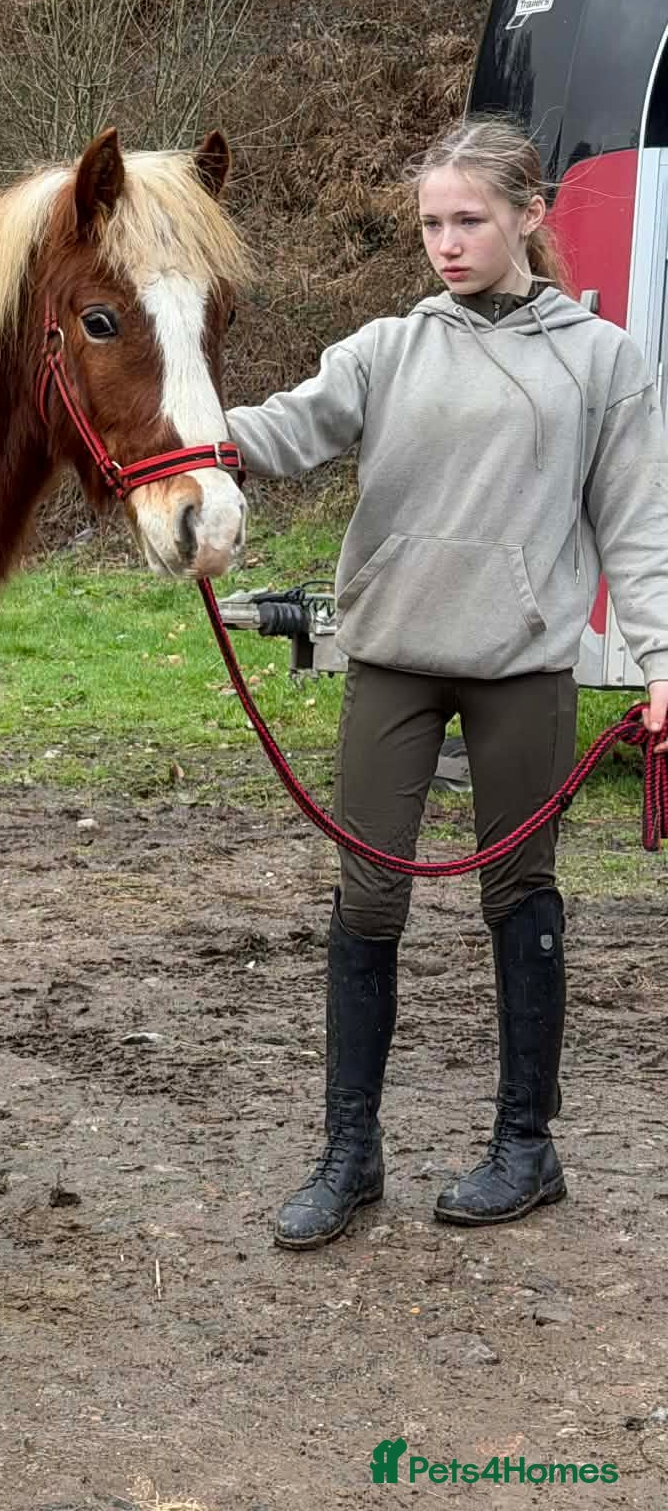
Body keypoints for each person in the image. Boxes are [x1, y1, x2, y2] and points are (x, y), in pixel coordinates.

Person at [221, 115, 668, 1250]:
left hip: (522, 666)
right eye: (430, 224)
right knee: (367, 895)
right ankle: (348, 1153)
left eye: (468, 220)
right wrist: (179, 435)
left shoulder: (602, 362)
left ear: (529, 214)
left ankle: (526, 1145)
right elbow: (283, 432)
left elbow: (638, 524)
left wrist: (663, 659)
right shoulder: (386, 348)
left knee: (519, 891)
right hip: (392, 659)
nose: (447, 243)